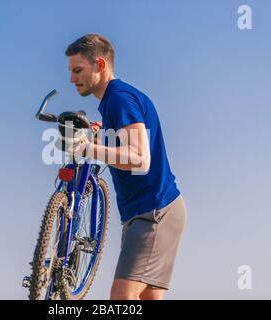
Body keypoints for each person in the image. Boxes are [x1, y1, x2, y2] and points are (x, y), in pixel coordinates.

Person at [65, 34, 187, 300]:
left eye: (77, 70)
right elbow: (124, 147)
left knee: (121, 299)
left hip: (154, 213)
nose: (72, 79)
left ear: (99, 64)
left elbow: (139, 158)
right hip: (152, 212)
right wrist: (99, 137)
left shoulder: (119, 98)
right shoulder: (113, 101)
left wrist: (87, 148)